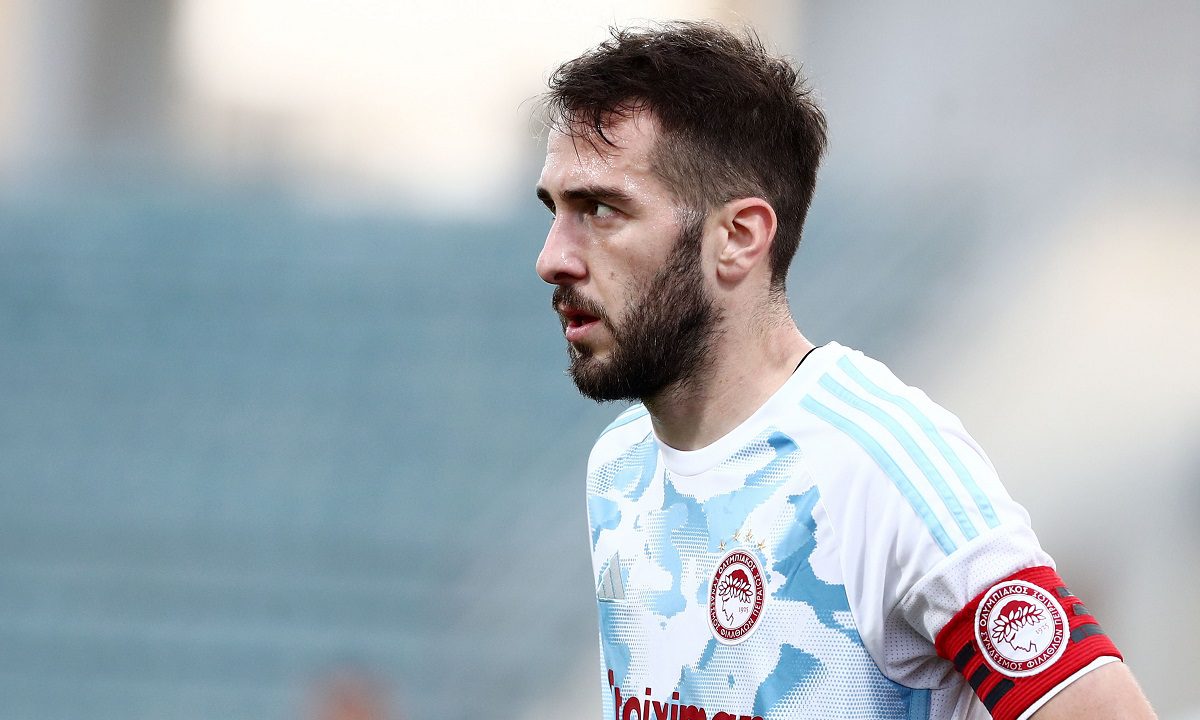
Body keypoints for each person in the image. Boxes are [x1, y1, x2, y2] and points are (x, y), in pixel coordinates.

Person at [533, 20, 1156, 720]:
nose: (552, 258)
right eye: (555, 210)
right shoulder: (618, 467)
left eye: (600, 209)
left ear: (737, 238)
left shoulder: (879, 463)